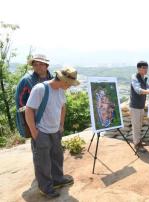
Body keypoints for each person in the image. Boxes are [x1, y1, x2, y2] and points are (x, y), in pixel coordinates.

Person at [25, 67, 80, 198]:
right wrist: (34, 132)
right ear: (63, 81)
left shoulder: (61, 90)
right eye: (70, 84)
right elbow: (29, 110)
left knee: (57, 157)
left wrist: (61, 125)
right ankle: (45, 188)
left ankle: (57, 179)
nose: (71, 87)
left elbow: (62, 107)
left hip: (55, 130)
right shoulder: (40, 89)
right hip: (41, 131)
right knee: (43, 162)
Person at [16, 54, 53, 137]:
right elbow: (20, 102)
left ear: (47, 65)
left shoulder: (52, 79)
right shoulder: (26, 80)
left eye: (41, 64)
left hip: (51, 117)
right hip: (36, 120)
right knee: (40, 143)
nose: (38, 66)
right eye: (35, 64)